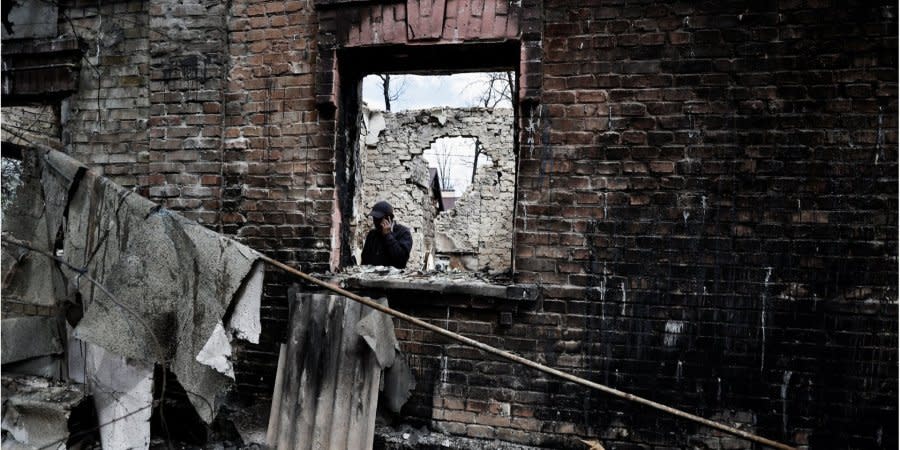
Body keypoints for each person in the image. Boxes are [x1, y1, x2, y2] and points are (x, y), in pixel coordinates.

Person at [360, 200, 412, 269]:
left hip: (394, 278)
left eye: (378, 218)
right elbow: (365, 259)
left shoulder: (403, 232)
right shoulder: (372, 234)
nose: (375, 221)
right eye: (374, 218)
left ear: (389, 218)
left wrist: (388, 235)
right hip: (372, 277)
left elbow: (401, 259)